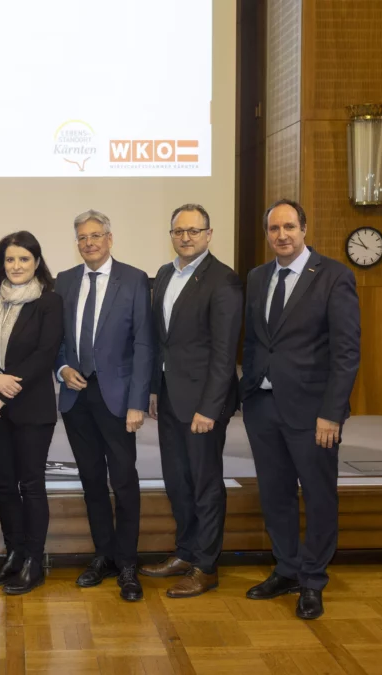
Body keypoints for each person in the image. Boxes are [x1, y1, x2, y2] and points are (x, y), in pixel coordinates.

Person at [241, 198, 360, 620]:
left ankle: (312, 581)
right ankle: (287, 568)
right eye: (274, 229)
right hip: (263, 407)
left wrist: (332, 413)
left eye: (289, 227)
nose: (282, 235)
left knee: (318, 496)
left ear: (304, 229)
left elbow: (346, 352)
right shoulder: (258, 277)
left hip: (313, 414)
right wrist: (248, 390)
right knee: (275, 495)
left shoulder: (334, 276)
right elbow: (254, 341)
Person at [141, 203, 242, 599]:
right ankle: (185, 552)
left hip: (203, 403)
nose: (185, 237)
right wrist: (154, 389)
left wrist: (210, 408)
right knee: (177, 481)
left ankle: (206, 566)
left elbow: (224, 352)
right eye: (178, 231)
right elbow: (161, 341)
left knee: (205, 484)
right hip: (170, 397)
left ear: (209, 234)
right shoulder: (166, 273)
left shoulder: (223, 280)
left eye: (193, 231)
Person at [54, 210, 152, 602]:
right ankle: (104, 555)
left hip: (118, 399)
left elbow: (143, 343)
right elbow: (57, 338)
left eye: (95, 235)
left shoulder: (134, 279)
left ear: (109, 239)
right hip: (76, 397)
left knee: (124, 481)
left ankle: (127, 563)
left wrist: (138, 402)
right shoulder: (64, 281)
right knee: (92, 480)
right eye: (82, 237)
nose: (89, 243)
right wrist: (62, 368)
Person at [0, 231, 63, 595]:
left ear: (36, 262)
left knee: (31, 485)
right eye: (10, 259)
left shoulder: (49, 301)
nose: (16, 265)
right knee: (3, 485)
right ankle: (14, 554)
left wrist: (5, 393)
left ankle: (33, 563)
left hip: (31, 408)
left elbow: (44, 354)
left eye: (24, 259)